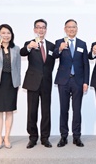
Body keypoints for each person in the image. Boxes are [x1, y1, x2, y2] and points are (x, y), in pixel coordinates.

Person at [54, 19, 89, 148]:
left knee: (77, 110)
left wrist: (86, 82)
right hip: (63, 80)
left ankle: (76, 137)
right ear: (65, 29)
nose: (71, 29)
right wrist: (60, 49)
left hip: (78, 81)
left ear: (77, 28)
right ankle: (63, 136)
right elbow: (54, 56)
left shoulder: (82, 44)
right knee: (64, 109)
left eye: (74, 27)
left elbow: (86, 64)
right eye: (69, 27)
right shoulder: (59, 42)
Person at [20, 19, 55, 149]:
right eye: (38, 27)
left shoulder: (51, 46)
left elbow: (56, 56)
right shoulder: (29, 44)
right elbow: (22, 52)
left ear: (46, 30)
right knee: (32, 111)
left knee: (46, 111)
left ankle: (45, 138)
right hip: (33, 82)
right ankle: (33, 138)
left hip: (46, 82)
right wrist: (29, 46)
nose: (41, 30)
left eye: (43, 27)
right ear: (34, 29)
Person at [0, 24, 21, 150]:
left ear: (11, 35)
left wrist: (18, 82)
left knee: (9, 110)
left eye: (8, 33)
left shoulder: (16, 48)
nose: (6, 35)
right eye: (3, 33)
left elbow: (18, 67)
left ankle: (7, 137)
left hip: (11, 82)